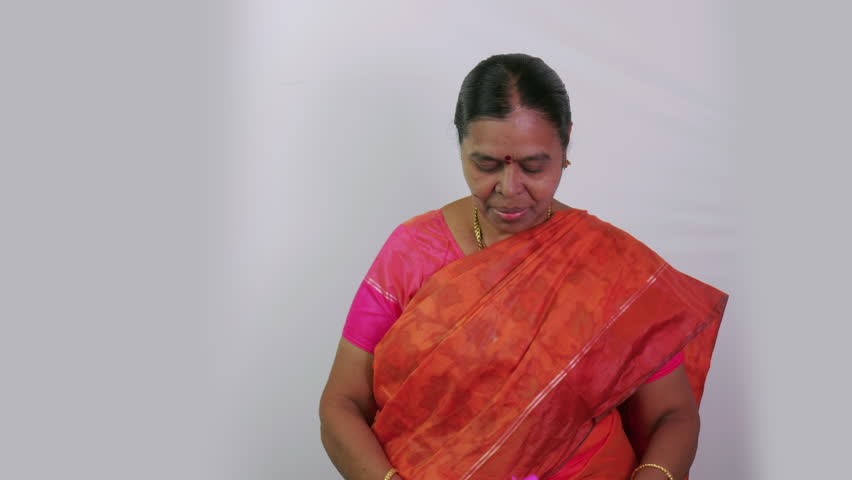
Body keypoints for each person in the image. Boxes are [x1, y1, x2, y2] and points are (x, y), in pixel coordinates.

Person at [319, 53, 728, 480]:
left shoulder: (612, 266)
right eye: (486, 165)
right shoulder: (412, 251)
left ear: (565, 145)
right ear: (460, 145)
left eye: (534, 166)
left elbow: (672, 415)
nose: (509, 190)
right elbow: (341, 404)